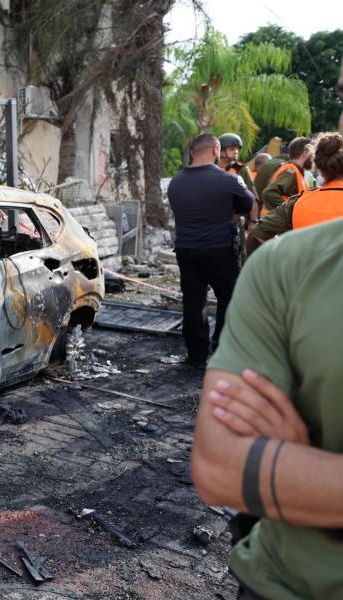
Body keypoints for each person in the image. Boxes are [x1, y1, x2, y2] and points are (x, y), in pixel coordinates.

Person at [190, 61, 343, 600]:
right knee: (221, 307)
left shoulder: (292, 192)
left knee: (199, 308)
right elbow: (219, 462)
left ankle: (206, 348)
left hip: (217, 259)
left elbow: (260, 222)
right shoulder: (281, 189)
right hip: (281, 581)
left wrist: (305, 472)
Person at [167, 133, 255, 367]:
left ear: (193, 152)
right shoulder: (228, 180)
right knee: (230, 298)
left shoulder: (176, 182)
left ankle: (196, 355)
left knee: (193, 301)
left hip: (187, 250)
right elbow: (248, 204)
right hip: (220, 249)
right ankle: (222, 349)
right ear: (216, 149)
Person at [245, 132, 343, 256]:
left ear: (319, 166)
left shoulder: (296, 203)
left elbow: (256, 234)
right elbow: (269, 192)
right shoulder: (291, 171)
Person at [259, 136, 314, 217]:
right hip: (277, 224)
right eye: (312, 154)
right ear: (305, 153)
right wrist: (289, 210)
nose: (313, 157)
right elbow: (269, 193)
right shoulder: (291, 171)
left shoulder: (294, 170)